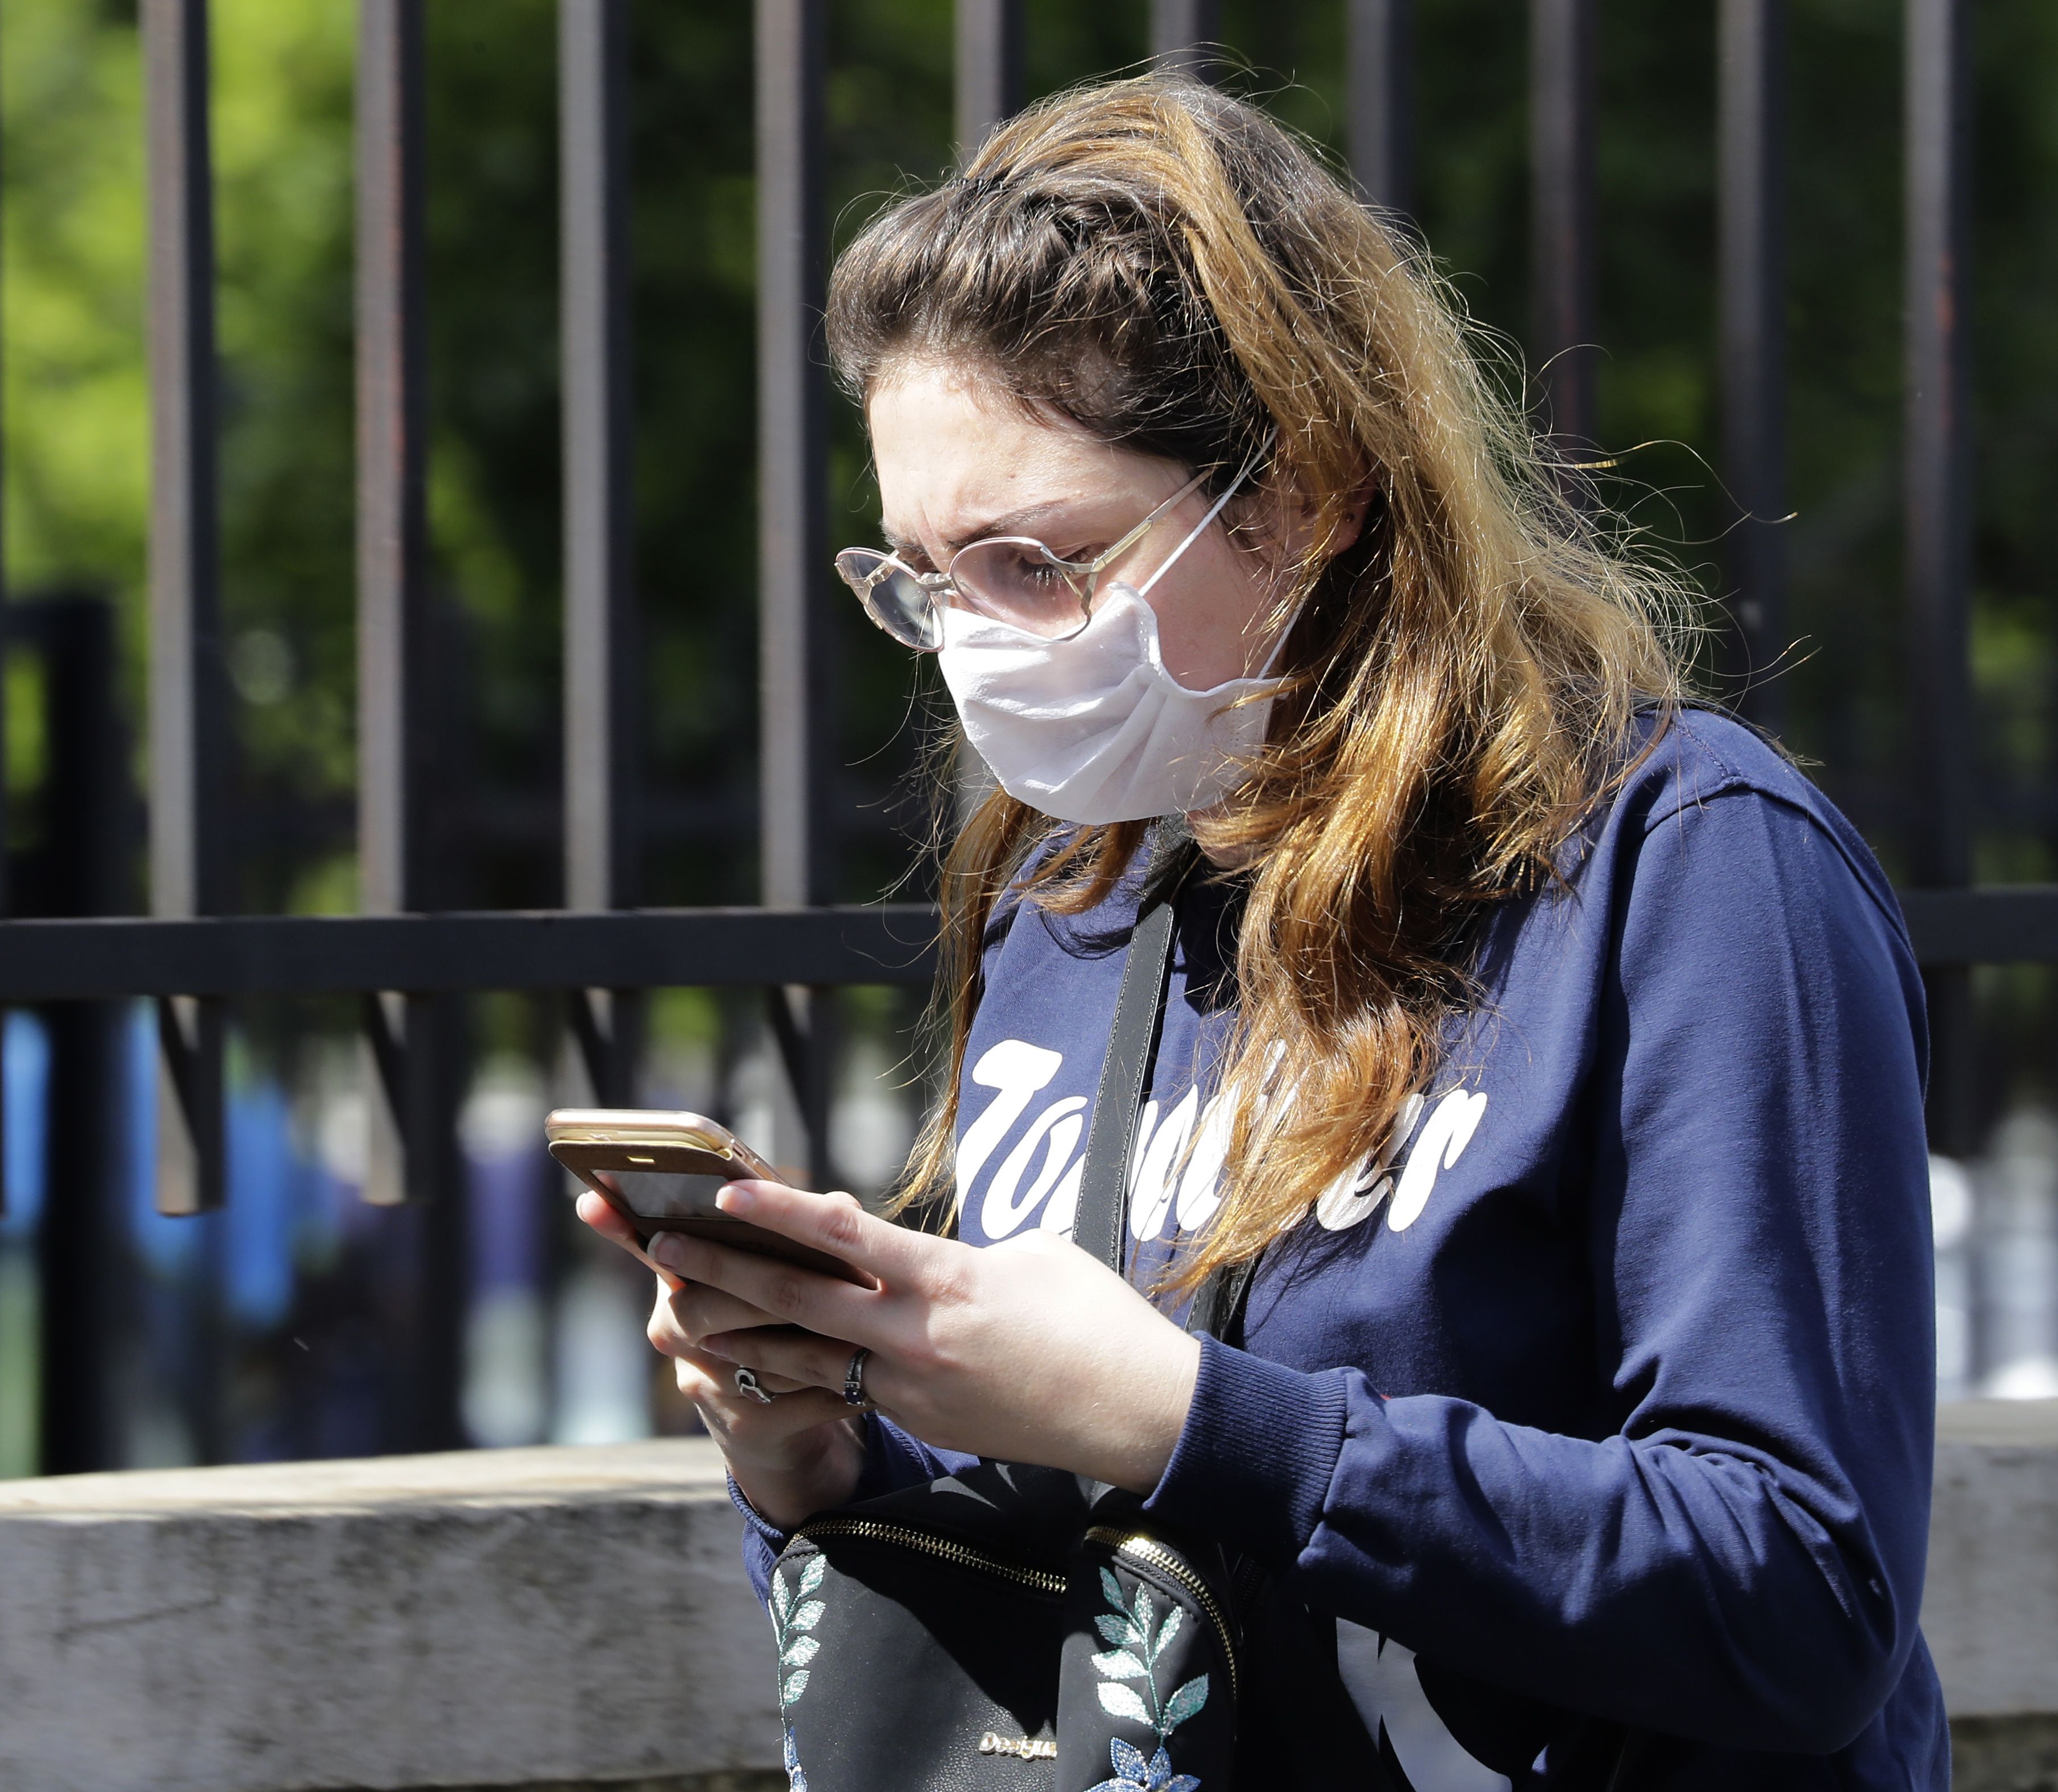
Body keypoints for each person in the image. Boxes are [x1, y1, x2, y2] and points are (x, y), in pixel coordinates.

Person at [575, 73, 1944, 1790]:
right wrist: (816, 1470)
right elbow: (1112, 1633)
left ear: (1303, 491)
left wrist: (1189, 1417)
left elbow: (1805, 1593)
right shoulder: (1073, 890)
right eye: (922, 578)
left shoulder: (1685, 863)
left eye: (1035, 560)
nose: (977, 645)